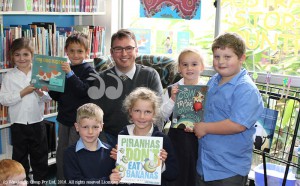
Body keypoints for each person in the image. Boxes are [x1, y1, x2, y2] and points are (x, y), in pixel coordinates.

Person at [193, 32, 264, 186]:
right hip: (205, 164)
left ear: (241, 58)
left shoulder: (246, 89)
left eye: (227, 57)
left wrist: (204, 128)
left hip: (229, 170)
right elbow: (204, 110)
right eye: (217, 56)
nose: (221, 61)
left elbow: (238, 124)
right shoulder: (213, 81)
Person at [90, 29, 163, 147]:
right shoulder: (101, 80)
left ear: (136, 50)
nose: (124, 54)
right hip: (109, 140)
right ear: (111, 52)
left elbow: (158, 114)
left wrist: (149, 142)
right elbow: (94, 117)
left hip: (143, 140)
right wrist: (104, 146)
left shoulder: (150, 75)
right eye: (118, 49)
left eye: (129, 48)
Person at [0, 38, 51, 183]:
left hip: (37, 122)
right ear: (12, 56)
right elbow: (3, 99)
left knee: (40, 156)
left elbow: (47, 99)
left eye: (25, 54)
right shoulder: (9, 77)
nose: (21, 58)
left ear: (32, 55)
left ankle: (40, 181)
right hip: (18, 124)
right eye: (17, 55)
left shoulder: (41, 72)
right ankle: (22, 182)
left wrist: (41, 93)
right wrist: (23, 92)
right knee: (20, 157)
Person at [48, 33, 97, 183]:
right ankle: (61, 180)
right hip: (64, 118)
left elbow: (83, 91)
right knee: (62, 153)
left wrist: (70, 74)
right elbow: (56, 95)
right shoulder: (62, 69)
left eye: (80, 51)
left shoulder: (89, 71)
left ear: (87, 52)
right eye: (72, 51)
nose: (75, 55)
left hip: (80, 121)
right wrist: (51, 84)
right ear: (66, 52)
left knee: (75, 152)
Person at [110, 87, 178, 186]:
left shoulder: (162, 140)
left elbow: (173, 174)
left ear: (154, 113)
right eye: (137, 111)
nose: (142, 116)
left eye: (147, 112)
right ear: (130, 111)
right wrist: (117, 160)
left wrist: (162, 164)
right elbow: (115, 172)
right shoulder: (123, 135)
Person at [161, 48, 206, 186]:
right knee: (176, 174)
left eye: (194, 64)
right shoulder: (172, 89)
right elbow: (162, 115)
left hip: (200, 140)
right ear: (179, 68)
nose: (189, 68)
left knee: (193, 175)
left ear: (202, 67)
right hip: (177, 140)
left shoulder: (207, 89)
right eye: (185, 64)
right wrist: (173, 99)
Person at [63, 103, 121, 185]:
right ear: (77, 127)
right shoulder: (70, 154)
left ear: (101, 127)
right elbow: (75, 182)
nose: (90, 132)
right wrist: (107, 180)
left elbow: (117, 177)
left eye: (95, 127)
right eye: (85, 127)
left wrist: (120, 161)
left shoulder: (110, 152)